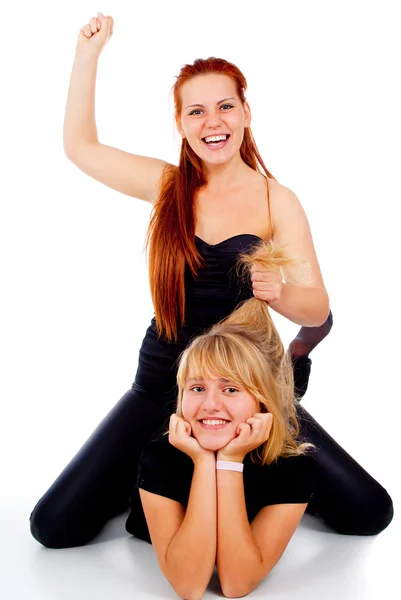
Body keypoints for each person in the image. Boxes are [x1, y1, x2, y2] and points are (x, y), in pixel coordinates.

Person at [29, 12, 392, 549]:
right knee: (55, 527)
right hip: (165, 383)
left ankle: (245, 480)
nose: (212, 121)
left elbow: (318, 309)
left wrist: (282, 294)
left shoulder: (277, 200)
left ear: (246, 112)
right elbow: (80, 147)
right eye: (195, 111)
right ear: (180, 122)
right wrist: (88, 56)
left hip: (248, 387)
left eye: (225, 105)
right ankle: (155, 478)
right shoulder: (167, 185)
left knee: (368, 512)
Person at [128, 242, 319, 599]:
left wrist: (229, 461)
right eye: (196, 387)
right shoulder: (160, 457)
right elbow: (189, 586)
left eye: (231, 390)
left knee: (366, 509)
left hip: (273, 413)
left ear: (259, 401)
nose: (209, 404)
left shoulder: (294, 468)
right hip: (152, 488)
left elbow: (235, 584)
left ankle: (297, 355)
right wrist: (204, 461)